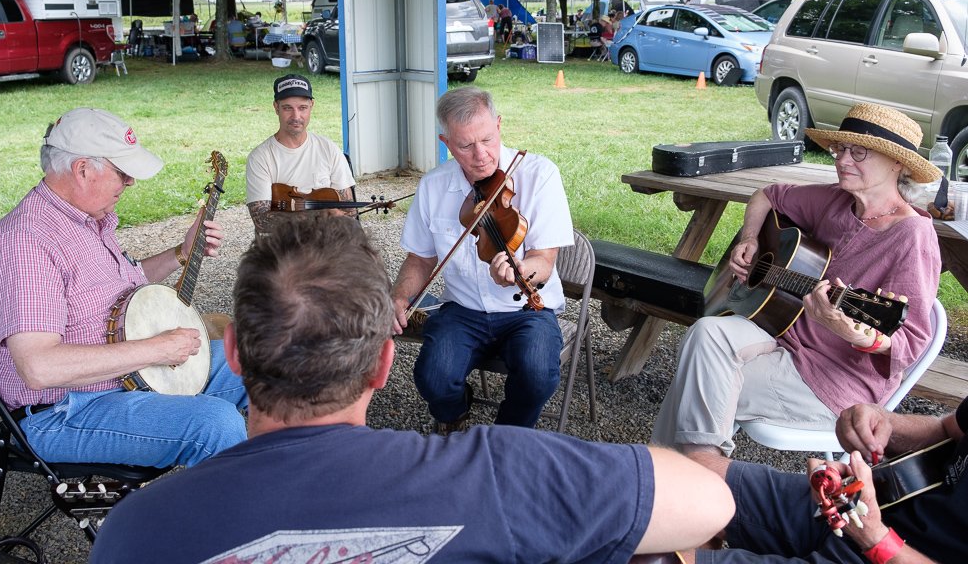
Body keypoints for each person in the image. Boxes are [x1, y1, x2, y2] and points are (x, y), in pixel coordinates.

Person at [90, 216, 736, 564]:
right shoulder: (500, 472)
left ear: (230, 350)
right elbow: (710, 502)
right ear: (382, 365)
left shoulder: (136, 529)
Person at [652, 102, 941, 458]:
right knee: (705, 333)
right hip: (782, 332)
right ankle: (679, 478)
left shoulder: (911, 236)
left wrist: (846, 329)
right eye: (840, 149)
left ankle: (675, 479)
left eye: (859, 152)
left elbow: (909, 343)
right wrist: (751, 239)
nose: (842, 160)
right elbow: (766, 195)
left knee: (698, 380)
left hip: (834, 381)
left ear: (897, 163)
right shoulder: (835, 200)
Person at [0, 107, 248, 468]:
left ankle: (301, 483)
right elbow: (40, 367)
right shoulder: (26, 244)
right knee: (215, 424)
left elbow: (120, 293)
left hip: (131, 378)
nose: (131, 182)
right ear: (83, 169)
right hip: (69, 411)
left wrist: (180, 254)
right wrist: (155, 349)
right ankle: (250, 519)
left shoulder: (85, 219)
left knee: (273, 363)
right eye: (123, 172)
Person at [390, 86, 573, 432]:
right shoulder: (433, 186)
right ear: (446, 143)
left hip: (527, 312)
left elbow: (543, 260)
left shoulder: (539, 175)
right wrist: (399, 299)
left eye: (487, 139)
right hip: (463, 309)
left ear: (499, 125)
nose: (481, 155)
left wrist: (521, 272)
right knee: (432, 377)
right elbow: (420, 259)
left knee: (537, 376)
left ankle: (505, 435)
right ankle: (456, 415)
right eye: (465, 146)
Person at [675, 397, 968, 563]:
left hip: (889, 549)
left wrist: (875, 538)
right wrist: (885, 424)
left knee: (665, 559)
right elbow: (947, 428)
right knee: (690, 477)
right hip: (864, 508)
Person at [245, 73, 356, 236]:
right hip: (283, 244)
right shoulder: (260, 157)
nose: (296, 116)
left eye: (302, 108)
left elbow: (351, 212)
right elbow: (262, 222)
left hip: (327, 240)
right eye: (287, 108)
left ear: (312, 105)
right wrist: (318, 215)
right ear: (276, 107)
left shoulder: (328, 148)